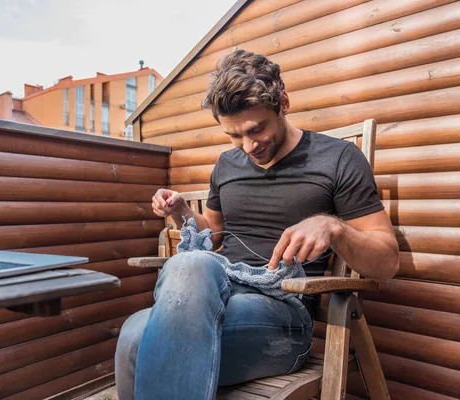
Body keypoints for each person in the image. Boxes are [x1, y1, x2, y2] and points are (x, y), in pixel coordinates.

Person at [115, 50, 399, 400]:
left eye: (256, 129)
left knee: (140, 337)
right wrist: (183, 212)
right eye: (234, 135)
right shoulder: (226, 165)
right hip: (217, 296)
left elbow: (387, 262)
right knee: (132, 334)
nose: (248, 146)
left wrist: (333, 228)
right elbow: (213, 239)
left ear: (283, 102)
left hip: (283, 318)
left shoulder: (337, 159)